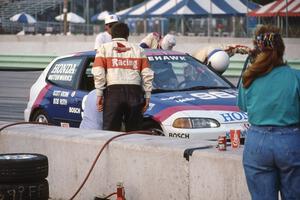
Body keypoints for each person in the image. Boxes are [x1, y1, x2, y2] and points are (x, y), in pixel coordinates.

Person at [237, 25, 300, 200]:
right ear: (282, 50)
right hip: (291, 142)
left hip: (257, 143)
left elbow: (243, 106)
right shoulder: (296, 77)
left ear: (257, 49)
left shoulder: (248, 78)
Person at [92, 22, 154, 132]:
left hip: (113, 93)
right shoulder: (139, 49)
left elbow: (98, 72)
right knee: (135, 133)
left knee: (110, 132)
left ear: (111, 35)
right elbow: (147, 74)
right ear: (127, 35)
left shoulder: (104, 48)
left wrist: (99, 94)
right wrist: (148, 95)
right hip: (135, 92)